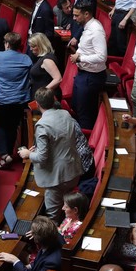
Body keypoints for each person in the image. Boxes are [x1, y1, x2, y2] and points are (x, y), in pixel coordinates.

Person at [19, 88, 82, 221]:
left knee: (52, 217)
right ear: (54, 99)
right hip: (73, 170)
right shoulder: (65, 114)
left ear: (37, 104)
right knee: (67, 209)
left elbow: (42, 158)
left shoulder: (42, 125)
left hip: (57, 178)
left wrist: (27, 154)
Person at [0, 32, 33, 169]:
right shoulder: (26, 59)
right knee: (12, 125)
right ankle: (9, 152)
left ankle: (4, 154)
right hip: (19, 100)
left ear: (6, 44)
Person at [0, 216, 64, 271]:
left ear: (37, 240)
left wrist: (15, 260)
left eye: (33, 233)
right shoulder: (55, 236)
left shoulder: (51, 262)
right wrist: (28, 266)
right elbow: (39, 261)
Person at [69, 3, 107, 130]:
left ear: (86, 14)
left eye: (76, 15)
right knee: (75, 105)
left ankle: (86, 144)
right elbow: (86, 47)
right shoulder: (87, 27)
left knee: (85, 113)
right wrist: (79, 53)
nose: (74, 18)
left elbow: (102, 57)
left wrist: (80, 58)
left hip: (91, 77)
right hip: (83, 74)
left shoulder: (96, 30)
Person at [28, 33, 61, 99]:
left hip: (46, 98)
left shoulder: (47, 60)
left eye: (33, 46)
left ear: (41, 46)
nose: (31, 49)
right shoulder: (42, 58)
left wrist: (42, 93)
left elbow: (58, 79)